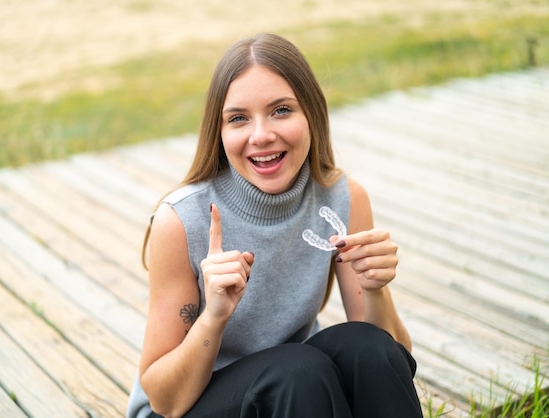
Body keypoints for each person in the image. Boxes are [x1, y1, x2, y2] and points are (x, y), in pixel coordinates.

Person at [127, 33, 422, 418]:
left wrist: (376, 289)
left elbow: (391, 362)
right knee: (296, 371)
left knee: (367, 348)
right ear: (219, 132)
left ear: (312, 114)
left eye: (281, 110)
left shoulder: (343, 198)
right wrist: (213, 316)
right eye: (238, 119)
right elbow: (166, 401)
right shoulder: (181, 220)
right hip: (193, 405)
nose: (262, 135)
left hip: (300, 392)